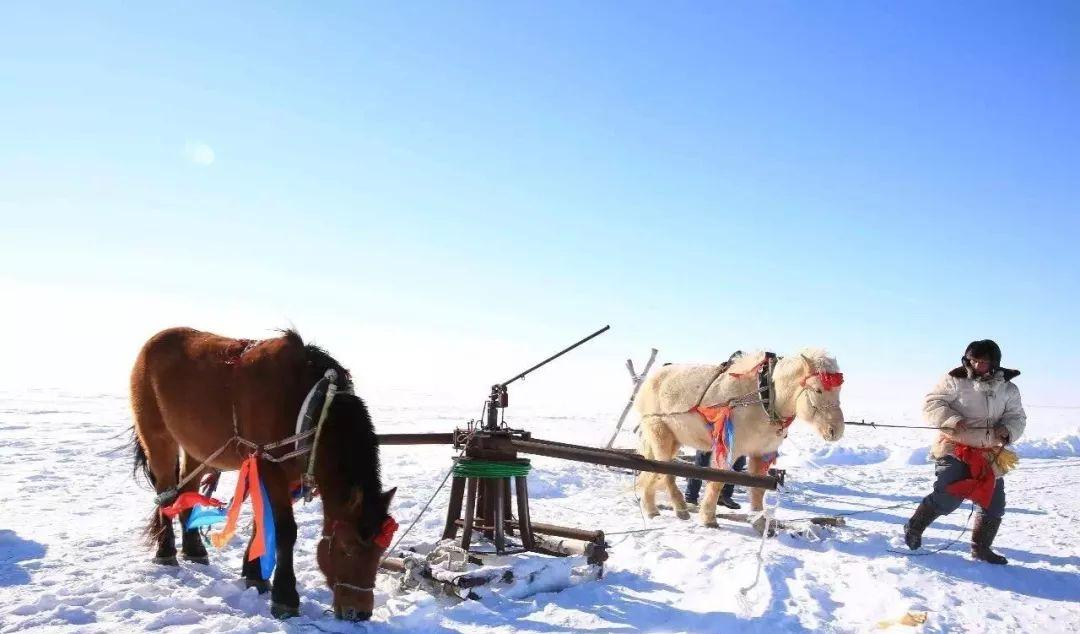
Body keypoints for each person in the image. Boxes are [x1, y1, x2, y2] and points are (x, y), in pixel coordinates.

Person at [904, 339, 1026, 564]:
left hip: (989, 452)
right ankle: (914, 527)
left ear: (994, 363)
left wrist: (1008, 429)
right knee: (948, 496)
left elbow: (1016, 416)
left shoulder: (1008, 388)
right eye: (973, 361)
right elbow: (932, 403)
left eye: (983, 362)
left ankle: (981, 549)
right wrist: (952, 420)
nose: (977, 365)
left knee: (994, 504)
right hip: (955, 447)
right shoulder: (954, 379)